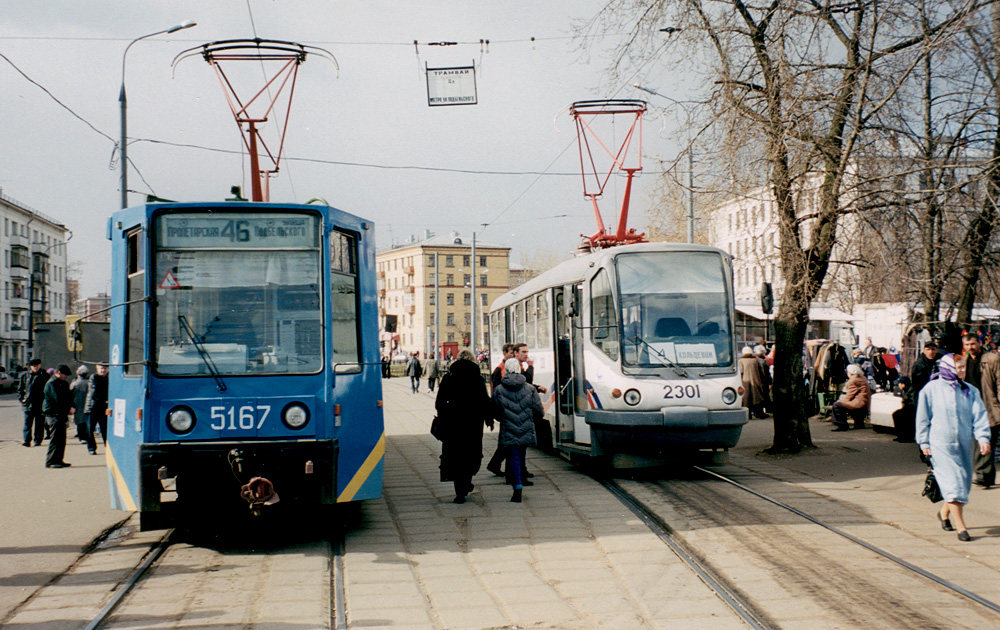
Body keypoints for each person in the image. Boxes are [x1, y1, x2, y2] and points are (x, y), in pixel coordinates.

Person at [916, 354, 992, 541]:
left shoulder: (970, 391)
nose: (962, 371)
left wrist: (983, 438)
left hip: (964, 444)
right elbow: (922, 418)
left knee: (963, 484)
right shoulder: (931, 389)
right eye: (959, 368)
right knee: (953, 483)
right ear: (948, 368)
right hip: (940, 445)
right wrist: (923, 442)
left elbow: (980, 416)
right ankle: (961, 527)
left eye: (963, 367)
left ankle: (944, 513)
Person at [434, 350, 493, 503]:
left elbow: (439, 402)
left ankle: (459, 492)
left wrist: (444, 415)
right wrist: (489, 419)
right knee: (471, 454)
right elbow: (484, 400)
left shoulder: (449, 377)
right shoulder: (477, 379)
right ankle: (466, 482)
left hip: (453, 423)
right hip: (473, 423)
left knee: (455, 455)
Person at [492, 357, 542, 503]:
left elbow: (494, 410)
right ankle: (521, 480)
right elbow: (538, 409)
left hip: (509, 428)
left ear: (506, 370)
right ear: (520, 369)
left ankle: (517, 487)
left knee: (512, 457)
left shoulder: (499, 389)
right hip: (526, 427)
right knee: (521, 455)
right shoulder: (530, 388)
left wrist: (502, 418)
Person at [965, 333, 1000, 488]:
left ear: (979, 343)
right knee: (980, 441)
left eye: (973, 344)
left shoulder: (992, 359)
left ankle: (983, 475)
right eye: (967, 345)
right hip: (971, 408)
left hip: (989, 405)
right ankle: (985, 476)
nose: (970, 347)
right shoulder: (963, 361)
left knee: (986, 441)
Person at [485, 344, 517, 477]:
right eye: (510, 353)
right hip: (506, 411)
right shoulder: (499, 370)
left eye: (514, 353)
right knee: (508, 441)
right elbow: (497, 394)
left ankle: (495, 464)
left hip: (510, 411)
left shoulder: (508, 368)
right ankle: (497, 465)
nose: (513, 355)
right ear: (504, 353)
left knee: (507, 441)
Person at [42, 364, 75, 469]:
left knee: (61, 438)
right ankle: (51, 461)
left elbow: (69, 397)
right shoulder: (51, 384)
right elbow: (58, 399)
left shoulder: (63, 383)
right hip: (53, 414)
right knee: (56, 438)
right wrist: (68, 408)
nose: (67, 377)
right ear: (58, 373)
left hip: (61, 413)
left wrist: (71, 406)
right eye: (65, 374)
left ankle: (59, 460)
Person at [830, 363, 871, 431]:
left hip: (859, 404)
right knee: (850, 404)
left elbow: (850, 395)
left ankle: (842, 425)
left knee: (837, 405)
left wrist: (841, 402)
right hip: (865, 404)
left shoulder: (853, 380)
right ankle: (859, 423)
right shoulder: (863, 378)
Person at [18, 358, 49, 447]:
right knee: (27, 423)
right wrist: (22, 399)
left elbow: (47, 390)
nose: (35, 367)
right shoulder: (25, 376)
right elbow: (20, 389)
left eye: (37, 365)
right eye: (33, 366)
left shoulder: (45, 375)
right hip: (28, 404)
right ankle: (27, 440)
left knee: (39, 423)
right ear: (30, 366)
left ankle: (38, 440)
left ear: (40, 365)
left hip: (40, 403)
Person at [739, 347, 770, 419]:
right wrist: (763, 380)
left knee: (746, 398)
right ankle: (759, 413)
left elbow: (740, 372)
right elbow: (761, 371)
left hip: (745, 382)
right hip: (756, 381)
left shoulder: (741, 361)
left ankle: (748, 414)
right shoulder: (756, 360)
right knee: (757, 398)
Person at [84, 363, 109, 450]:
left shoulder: (109, 377)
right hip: (93, 406)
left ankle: (108, 447)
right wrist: (106, 399)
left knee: (105, 428)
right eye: (101, 368)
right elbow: (94, 391)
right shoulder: (94, 377)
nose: (103, 370)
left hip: (104, 406)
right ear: (97, 369)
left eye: (105, 368)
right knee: (90, 428)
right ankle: (91, 448)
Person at [70, 365, 90, 446]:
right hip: (87, 404)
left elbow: (70, 394)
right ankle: (86, 437)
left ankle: (81, 437)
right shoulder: (89, 383)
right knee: (86, 422)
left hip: (77, 404)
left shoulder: (75, 383)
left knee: (79, 422)